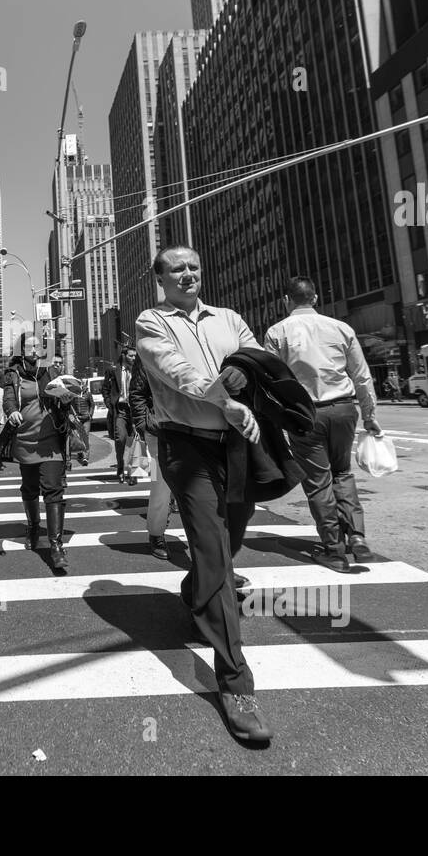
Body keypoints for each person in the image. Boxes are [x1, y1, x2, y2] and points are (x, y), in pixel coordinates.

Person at [136, 245, 272, 743]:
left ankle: (195, 591)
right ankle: (236, 684)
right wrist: (223, 395)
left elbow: (259, 358)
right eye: (177, 269)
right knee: (215, 552)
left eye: (194, 265)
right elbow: (176, 371)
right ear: (161, 279)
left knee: (231, 536)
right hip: (185, 447)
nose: (188, 273)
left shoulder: (230, 318)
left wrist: (243, 374)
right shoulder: (151, 321)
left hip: (236, 447)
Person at [265, 276, 381, 572]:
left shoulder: (277, 332)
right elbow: (362, 376)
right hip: (344, 409)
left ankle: (333, 548)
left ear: (286, 301)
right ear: (315, 299)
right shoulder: (341, 328)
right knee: (343, 472)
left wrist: (275, 419)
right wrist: (369, 416)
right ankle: (357, 537)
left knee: (318, 482)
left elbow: (271, 381)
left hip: (305, 413)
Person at [3, 336, 76, 570]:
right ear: (21, 351)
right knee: (30, 488)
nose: (35, 349)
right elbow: (9, 399)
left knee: (54, 489)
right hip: (25, 441)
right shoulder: (13, 373)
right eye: (30, 346)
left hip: (50, 441)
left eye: (38, 346)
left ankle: (56, 546)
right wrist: (12, 411)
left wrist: (65, 400)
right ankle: (33, 526)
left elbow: (63, 401)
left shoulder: (50, 371)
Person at [128, 352, 175, 560]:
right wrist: (146, 423)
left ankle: (214, 548)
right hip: (161, 427)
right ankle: (156, 533)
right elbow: (137, 392)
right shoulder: (149, 348)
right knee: (162, 483)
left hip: (198, 422)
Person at [100, 348, 138, 484]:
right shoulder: (113, 370)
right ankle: (120, 466)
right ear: (123, 355)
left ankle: (133, 473)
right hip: (120, 411)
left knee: (135, 442)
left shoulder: (138, 370)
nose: (134, 358)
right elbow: (105, 389)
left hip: (135, 411)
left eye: (135, 356)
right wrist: (109, 404)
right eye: (131, 356)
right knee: (120, 439)